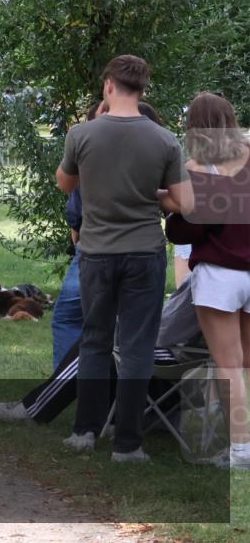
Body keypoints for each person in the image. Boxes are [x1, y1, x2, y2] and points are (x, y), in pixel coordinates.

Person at [57, 54, 193, 462]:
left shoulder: (81, 135)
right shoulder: (165, 140)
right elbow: (184, 202)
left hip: (97, 252)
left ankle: (84, 430)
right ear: (143, 90)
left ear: (108, 86)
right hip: (144, 252)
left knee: (95, 340)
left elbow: (66, 184)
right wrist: (150, 193)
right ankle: (128, 444)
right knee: (137, 346)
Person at [166, 91, 250, 469]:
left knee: (229, 366)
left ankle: (240, 450)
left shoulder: (196, 168)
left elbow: (182, 226)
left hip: (219, 275)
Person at [0, 276, 201, 424]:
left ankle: (35, 408)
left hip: (186, 360)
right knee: (100, 338)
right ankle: (104, 417)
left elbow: (165, 332)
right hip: (196, 359)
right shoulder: (221, 272)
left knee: (97, 345)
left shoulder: (206, 278)